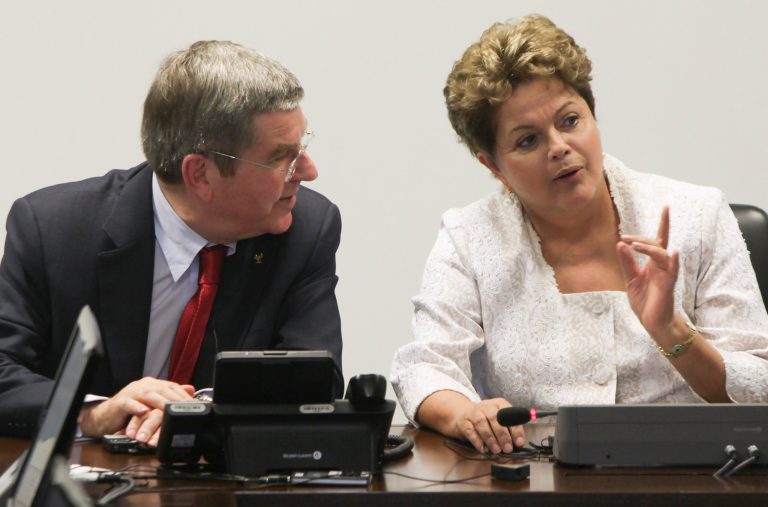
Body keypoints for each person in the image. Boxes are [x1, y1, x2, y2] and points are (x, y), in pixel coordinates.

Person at [390, 14, 768, 456]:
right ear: (494, 167)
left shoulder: (696, 215)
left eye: (570, 121)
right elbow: (423, 366)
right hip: (535, 482)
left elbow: (759, 388)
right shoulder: (469, 237)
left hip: (694, 477)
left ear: (593, 115)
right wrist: (464, 413)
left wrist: (670, 331)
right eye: (527, 141)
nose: (558, 147)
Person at [0, 41, 343, 445]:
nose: (309, 171)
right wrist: (92, 411)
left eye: (303, 146)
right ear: (200, 174)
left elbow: (315, 378)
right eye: (281, 158)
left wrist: (202, 409)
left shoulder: (307, 228)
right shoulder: (54, 230)